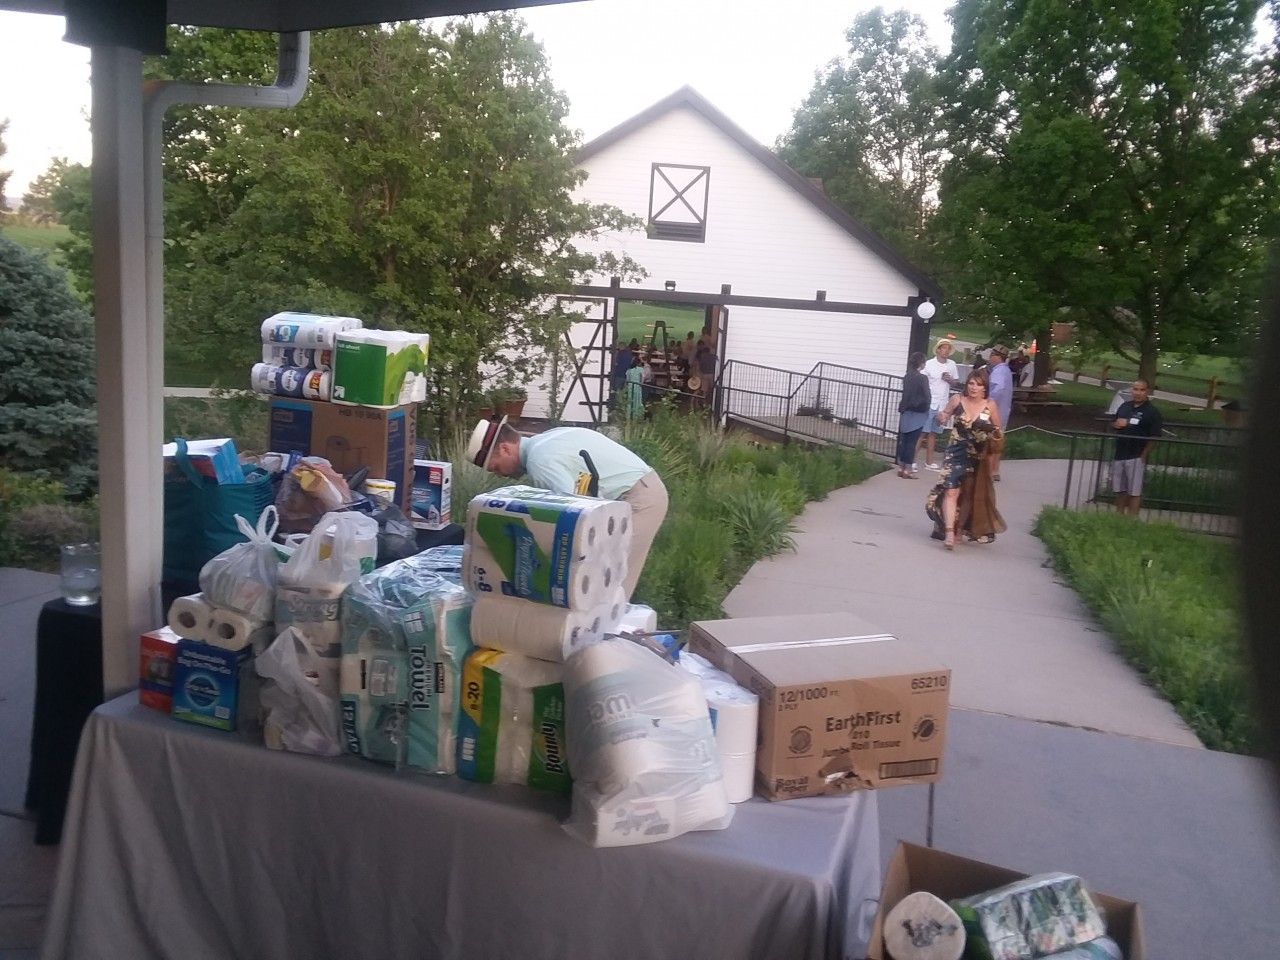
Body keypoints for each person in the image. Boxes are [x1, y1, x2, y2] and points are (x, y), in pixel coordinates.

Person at [467, 419, 668, 597]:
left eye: (495, 467)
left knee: (609, 581)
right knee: (602, 577)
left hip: (637, 498)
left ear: (505, 448)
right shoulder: (545, 440)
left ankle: (611, 635)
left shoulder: (540, 462)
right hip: (636, 489)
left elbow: (573, 516)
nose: (499, 475)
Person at [926, 371, 1005, 550]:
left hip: (977, 455)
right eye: (970, 383)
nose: (973, 387)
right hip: (956, 451)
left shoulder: (990, 405)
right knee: (951, 491)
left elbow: (998, 432)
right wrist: (942, 417)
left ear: (984, 387)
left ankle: (960, 529)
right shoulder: (957, 400)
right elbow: (944, 414)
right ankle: (948, 532)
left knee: (968, 494)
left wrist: (992, 431)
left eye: (977, 384)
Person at [1110, 379, 1163, 516]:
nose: (1138, 393)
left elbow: (1155, 436)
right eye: (1135, 389)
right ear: (1131, 390)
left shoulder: (1152, 412)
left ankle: (1132, 520)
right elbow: (1115, 423)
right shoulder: (1124, 407)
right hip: (1120, 454)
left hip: (1136, 456)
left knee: (1134, 491)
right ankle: (1118, 517)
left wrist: (1144, 455)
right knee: (1120, 490)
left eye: (1142, 390)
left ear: (1147, 392)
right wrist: (1117, 425)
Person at [917, 339, 959, 470]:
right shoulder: (929, 364)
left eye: (948, 349)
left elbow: (956, 383)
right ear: (938, 349)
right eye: (943, 348)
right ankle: (911, 461)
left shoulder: (952, 364)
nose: (946, 351)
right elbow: (922, 381)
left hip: (942, 405)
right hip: (930, 402)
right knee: (922, 432)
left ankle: (929, 462)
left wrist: (950, 380)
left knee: (933, 433)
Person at [896, 352, 930, 479]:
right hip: (918, 412)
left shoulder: (907, 376)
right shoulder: (922, 378)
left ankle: (901, 466)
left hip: (906, 411)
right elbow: (927, 396)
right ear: (921, 363)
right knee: (912, 442)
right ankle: (908, 469)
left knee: (904, 441)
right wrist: (927, 408)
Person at [986, 344, 1013, 481]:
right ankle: (995, 470)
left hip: (995, 412)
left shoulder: (997, 372)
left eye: (992, 355)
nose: (990, 358)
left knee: (991, 443)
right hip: (1004, 411)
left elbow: (997, 389)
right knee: (998, 441)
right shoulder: (1006, 371)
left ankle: (990, 472)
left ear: (997, 357)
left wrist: (987, 406)